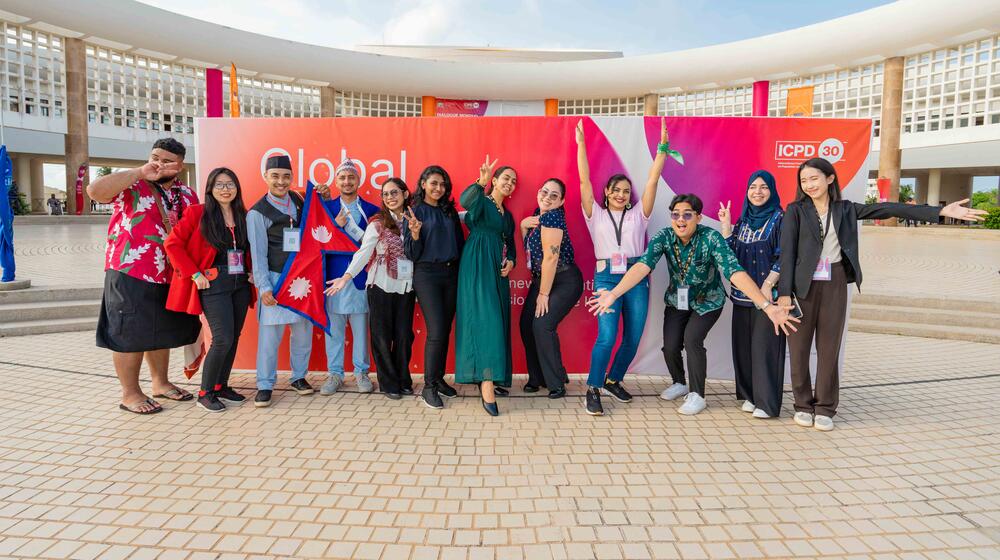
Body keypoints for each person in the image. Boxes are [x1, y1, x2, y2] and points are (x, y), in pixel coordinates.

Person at [778, 158, 986, 431]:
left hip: (836, 282)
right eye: (804, 181)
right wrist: (784, 294)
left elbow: (888, 208)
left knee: (829, 349)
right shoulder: (795, 210)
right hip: (802, 287)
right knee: (799, 349)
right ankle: (803, 405)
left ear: (830, 179)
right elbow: (788, 253)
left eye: (814, 178)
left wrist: (940, 211)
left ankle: (826, 407)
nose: (809, 185)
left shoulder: (846, 209)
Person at [589, 193, 798, 416]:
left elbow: (734, 272)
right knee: (670, 346)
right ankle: (680, 383)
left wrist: (766, 306)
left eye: (687, 215)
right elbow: (642, 266)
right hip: (677, 301)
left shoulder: (711, 238)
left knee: (692, 340)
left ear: (698, 217)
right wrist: (613, 293)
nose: (681, 220)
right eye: (675, 215)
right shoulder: (665, 237)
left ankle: (697, 395)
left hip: (708, 301)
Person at [88, 138, 201, 414]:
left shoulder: (186, 194)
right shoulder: (131, 184)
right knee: (130, 333)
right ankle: (130, 393)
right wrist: (139, 172)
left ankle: (160, 383)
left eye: (167, 160)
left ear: (180, 165)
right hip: (130, 269)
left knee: (160, 329)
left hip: (169, 274)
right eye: (156, 157)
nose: (160, 164)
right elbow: (95, 191)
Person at [578, 118, 670, 416]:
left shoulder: (638, 216)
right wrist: (581, 146)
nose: (621, 194)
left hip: (637, 275)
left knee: (632, 336)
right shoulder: (596, 215)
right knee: (606, 335)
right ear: (606, 192)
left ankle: (613, 379)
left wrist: (662, 152)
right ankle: (593, 388)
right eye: (616, 190)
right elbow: (584, 182)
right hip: (605, 276)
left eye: (625, 191)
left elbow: (653, 182)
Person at [164, 167, 254, 412]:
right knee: (222, 338)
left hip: (240, 283)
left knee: (233, 337)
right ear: (211, 189)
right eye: (220, 185)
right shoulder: (198, 213)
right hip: (213, 283)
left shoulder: (243, 215)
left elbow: (248, 249)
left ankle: (220, 386)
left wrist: (252, 270)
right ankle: (205, 393)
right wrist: (193, 273)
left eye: (230, 184)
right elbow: (172, 244)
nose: (226, 189)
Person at [326, 178, 416, 400]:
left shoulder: (414, 220)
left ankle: (403, 379)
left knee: (404, 336)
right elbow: (364, 252)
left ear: (405, 194)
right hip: (380, 285)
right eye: (385, 194)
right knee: (382, 336)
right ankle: (388, 383)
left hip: (406, 286)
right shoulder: (377, 222)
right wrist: (346, 277)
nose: (390, 197)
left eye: (394, 192)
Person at [247, 154, 315, 407]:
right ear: (265, 177)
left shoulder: (298, 200)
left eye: (286, 176)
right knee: (269, 338)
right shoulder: (257, 213)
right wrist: (264, 286)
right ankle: (265, 384)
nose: (281, 181)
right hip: (275, 279)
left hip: (301, 280)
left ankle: (299, 377)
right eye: (275, 176)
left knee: (302, 333)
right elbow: (258, 254)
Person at [719, 170, 785, 419]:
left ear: (772, 190)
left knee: (764, 349)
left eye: (763, 187)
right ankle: (749, 395)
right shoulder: (744, 220)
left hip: (768, 297)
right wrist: (727, 228)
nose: (757, 192)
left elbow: (785, 255)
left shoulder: (780, 218)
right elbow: (730, 257)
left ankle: (767, 403)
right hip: (741, 297)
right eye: (753, 187)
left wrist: (768, 284)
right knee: (744, 348)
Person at [455, 156, 517, 416]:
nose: (510, 184)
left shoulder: (508, 215)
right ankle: (487, 384)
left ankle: (493, 375)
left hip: (498, 271)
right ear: (494, 180)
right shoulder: (482, 201)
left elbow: (511, 243)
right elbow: (465, 201)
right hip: (477, 265)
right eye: (506, 178)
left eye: (514, 182)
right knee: (486, 322)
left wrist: (512, 261)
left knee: (498, 322)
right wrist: (480, 182)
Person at [403, 165, 466, 410]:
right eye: (433, 183)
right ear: (423, 184)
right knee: (437, 330)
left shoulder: (449, 211)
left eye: (442, 184)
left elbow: (459, 245)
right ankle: (428, 387)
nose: (438, 188)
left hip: (451, 274)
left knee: (445, 330)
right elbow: (411, 253)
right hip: (427, 275)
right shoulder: (415, 211)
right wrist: (416, 235)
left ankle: (439, 380)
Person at [317, 160, 379, 396]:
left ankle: (361, 373)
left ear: (358, 181)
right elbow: (318, 241)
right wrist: (335, 226)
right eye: (342, 178)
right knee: (334, 330)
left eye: (351, 177)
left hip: (361, 278)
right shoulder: (326, 208)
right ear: (336, 181)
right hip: (334, 279)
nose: (347, 182)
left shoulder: (372, 210)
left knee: (361, 329)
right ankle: (335, 374)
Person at [519, 178, 584, 399]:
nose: (547, 197)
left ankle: (555, 382)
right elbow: (529, 251)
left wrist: (543, 294)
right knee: (526, 325)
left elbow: (550, 258)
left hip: (564, 279)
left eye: (554, 195)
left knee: (542, 325)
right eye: (544, 191)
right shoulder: (539, 215)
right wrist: (521, 226)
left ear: (561, 201)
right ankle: (537, 378)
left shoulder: (553, 217)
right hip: (542, 279)